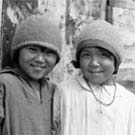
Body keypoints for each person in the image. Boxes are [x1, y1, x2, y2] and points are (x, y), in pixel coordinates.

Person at [53, 20, 135, 135]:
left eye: (103, 55)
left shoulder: (129, 102)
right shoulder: (63, 92)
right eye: (86, 55)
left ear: (115, 61)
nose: (94, 63)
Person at [0, 14, 61, 135]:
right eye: (32, 49)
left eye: (48, 53)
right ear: (18, 52)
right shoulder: (5, 84)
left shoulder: (53, 91)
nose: (40, 59)